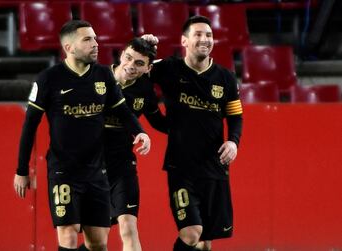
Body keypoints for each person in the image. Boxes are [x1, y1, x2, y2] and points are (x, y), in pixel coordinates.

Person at [13, 20, 151, 251]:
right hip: (63, 171)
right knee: (67, 235)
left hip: (97, 172)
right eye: (87, 39)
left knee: (97, 242)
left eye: (95, 38)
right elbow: (30, 126)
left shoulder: (103, 76)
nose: (95, 44)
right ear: (69, 47)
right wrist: (21, 170)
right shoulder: (49, 79)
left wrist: (141, 132)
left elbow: (122, 111)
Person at [144, 15, 243, 251]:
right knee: (191, 233)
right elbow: (134, 71)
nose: (205, 39)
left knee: (204, 242)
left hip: (214, 166)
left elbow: (235, 116)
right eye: (198, 34)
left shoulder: (225, 77)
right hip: (181, 167)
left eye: (208, 35)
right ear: (184, 41)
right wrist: (145, 47)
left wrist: (233, 142)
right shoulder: (168, 68)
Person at [79, 38, 167, 251]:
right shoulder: (96, 77)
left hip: (122, 166)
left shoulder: (145, 90)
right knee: (97, 241)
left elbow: (160, 123)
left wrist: (192, 121)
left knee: (128, 227)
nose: (131, 66)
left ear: (148, 68)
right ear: (121, 55)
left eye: (139, 63)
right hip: (89, 168)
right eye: (129, 58)